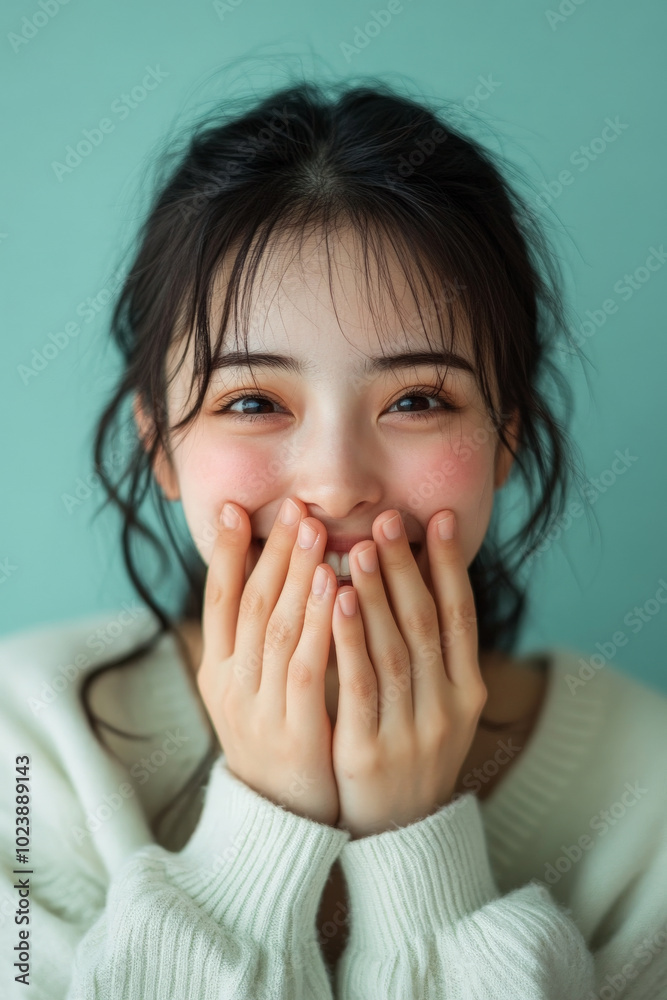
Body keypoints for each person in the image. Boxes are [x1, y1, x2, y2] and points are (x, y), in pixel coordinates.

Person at [1, 79, 666, 1000]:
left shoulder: (647, 789)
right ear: (160, 447)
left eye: (417, 400)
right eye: (253, 402)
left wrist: (415, 841)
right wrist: (267, 818)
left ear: (507, 434)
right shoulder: (26, 748)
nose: (335, 483)